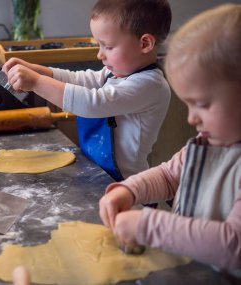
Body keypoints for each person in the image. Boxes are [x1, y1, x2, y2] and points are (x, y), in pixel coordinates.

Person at [99, 3, 241, 273]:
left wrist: (146, 225)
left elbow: (233, 246)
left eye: (202, 104)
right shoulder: (209, 144)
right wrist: (129, 190)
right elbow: (168, 176)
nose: (192, 118)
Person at [3, 0, 172, 181]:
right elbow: (81, 80)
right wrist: (38, 70)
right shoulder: (116, 72)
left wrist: (36, 82)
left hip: (128, 186)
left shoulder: (150, 85)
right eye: (98, 45)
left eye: (108, 46)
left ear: (145, 43)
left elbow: (93, 103)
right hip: (98, 175)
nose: (100, 55)